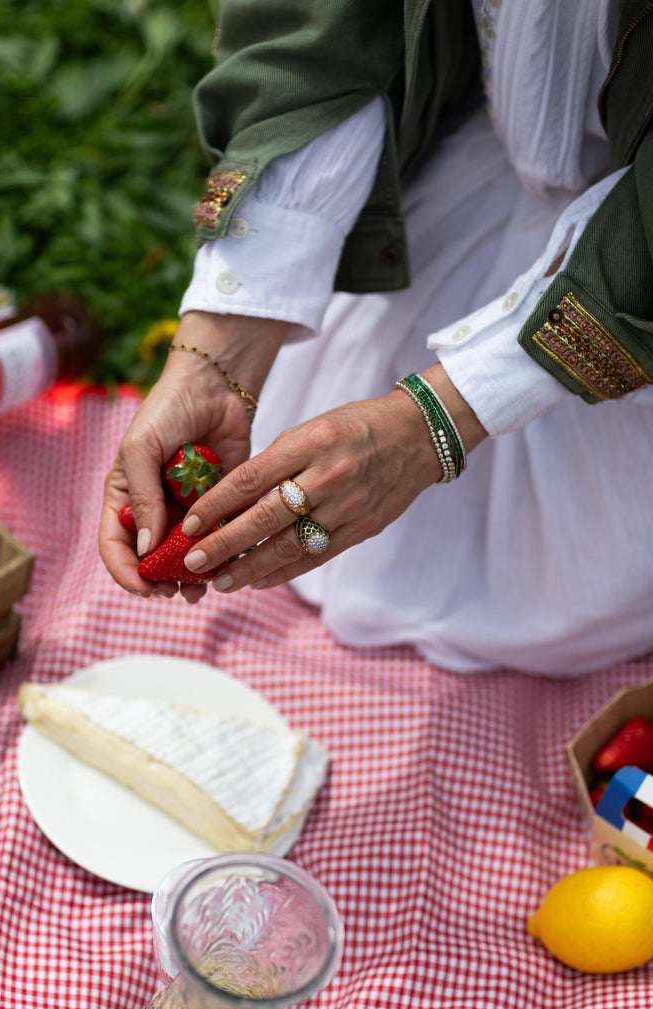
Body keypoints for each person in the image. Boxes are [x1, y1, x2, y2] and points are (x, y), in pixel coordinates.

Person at [99, 0, 653, 677]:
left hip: (633, 267)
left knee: (576, 591)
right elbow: (320, 27)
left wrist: (435, 422)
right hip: (482, 158)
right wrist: (213, 356)